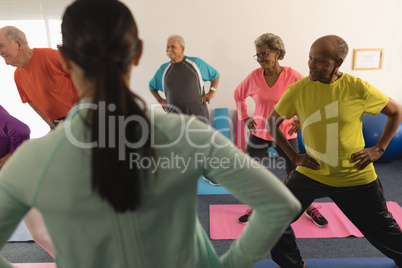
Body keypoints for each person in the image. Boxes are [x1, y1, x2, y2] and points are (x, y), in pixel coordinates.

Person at [0, 1, 301, 267]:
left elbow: (40, 234)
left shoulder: (30, 159)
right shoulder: (188, 134)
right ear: (137, 52)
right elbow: (279, 204)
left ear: (63, 57)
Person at [267, 35, 402, 268]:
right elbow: (271, 122)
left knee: (385, 231)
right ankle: (293, 265)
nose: (310, 64)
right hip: (313, 173)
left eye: (319, 61)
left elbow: (395, 111)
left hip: (355, 175)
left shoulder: (357, 88)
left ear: (337, 63)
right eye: (310, 58)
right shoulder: (299, 89)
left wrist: (379, 148)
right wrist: (294, 156)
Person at [234, 33, 328, 227]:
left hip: (285, 133)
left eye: (264, 54)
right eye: (258, 55)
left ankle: (308, 208)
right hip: (259, 132)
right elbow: (238, 95)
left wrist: (301, 120)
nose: (260, 59)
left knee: (296, 173)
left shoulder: (293, 76)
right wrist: (245, 117)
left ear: (277, 53)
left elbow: (310, 98)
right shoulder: (254, 77)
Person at [149, 34, 221, 185]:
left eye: (173, 47)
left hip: (198, 112)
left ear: (182, 48)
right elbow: (151, 86)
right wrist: (160, 100)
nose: (169, 50)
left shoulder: (196, 63)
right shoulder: (164, 69)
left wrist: (211, 91)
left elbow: (215, 75)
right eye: (167, 47)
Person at [0, 105, 54, 258]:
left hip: (13, 177)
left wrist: (11, 157)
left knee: (41, 233)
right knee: (41, 233)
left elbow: (21, 130)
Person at [0, 26, 79, 129]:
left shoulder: (50, 55)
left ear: (18, 44)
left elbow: (83, 78)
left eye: (1, 46)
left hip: (79, 115)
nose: (0, 51)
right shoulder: (17, 75)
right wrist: (48, 120)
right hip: (58, 124)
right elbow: (30, 101)